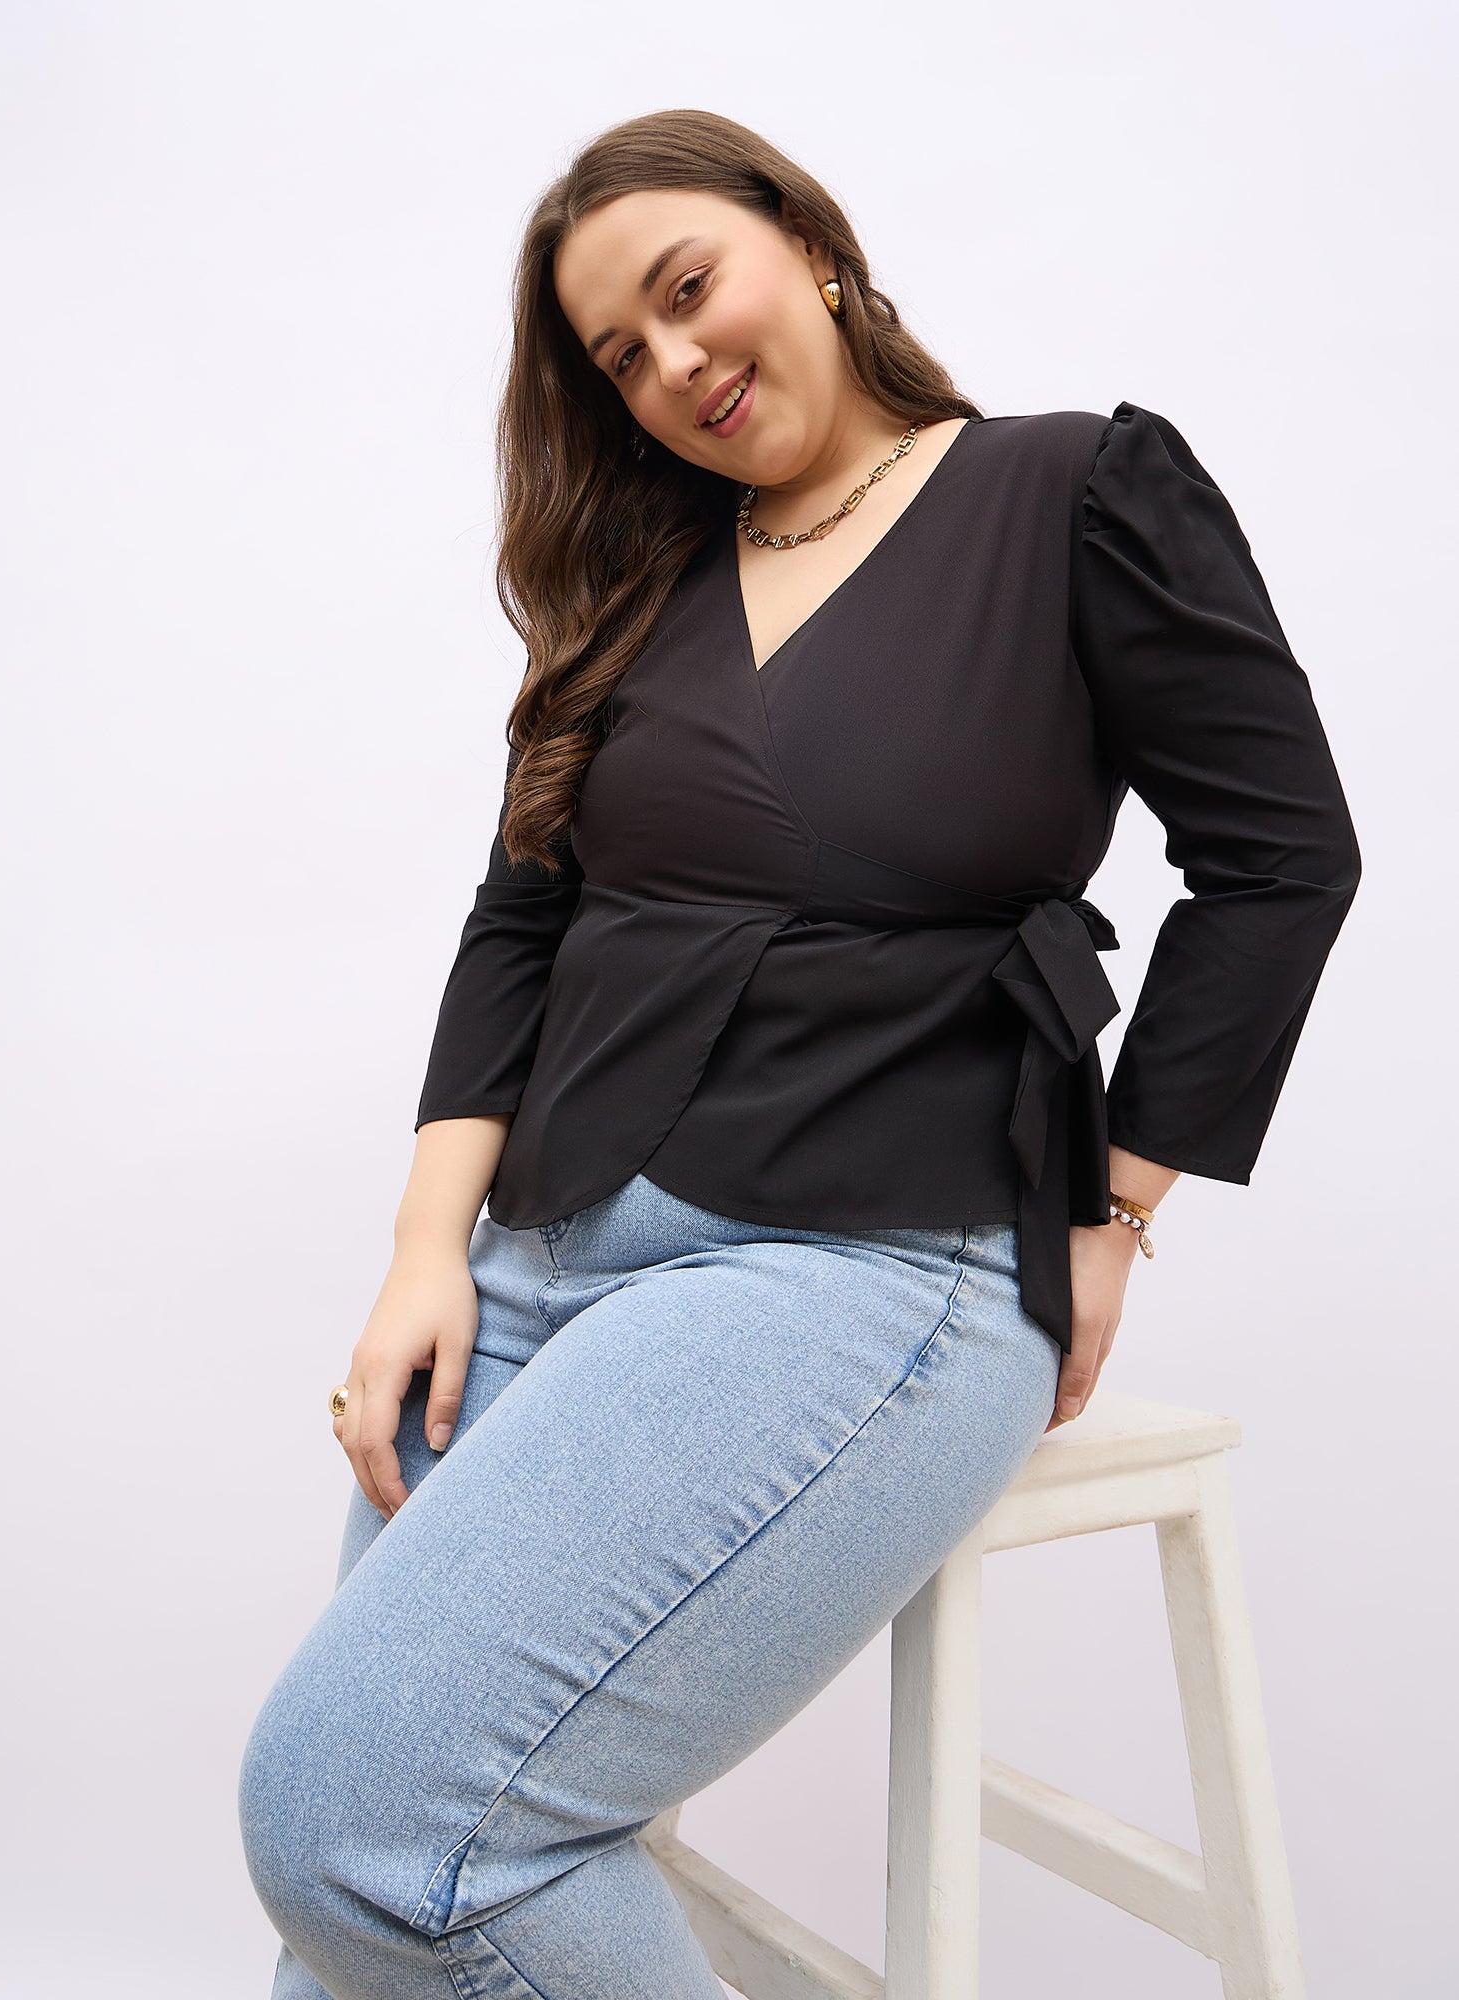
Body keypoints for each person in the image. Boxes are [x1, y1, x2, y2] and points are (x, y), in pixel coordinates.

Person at [237, 108, 1361, 2000]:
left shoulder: (1070, 490)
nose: (675, 362)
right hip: (540, 1259)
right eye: (622, 354)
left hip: (860, 1258)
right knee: (365, 1905)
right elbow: (519, 922)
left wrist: (1115, 1208)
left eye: (689, 290)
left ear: (809, 247)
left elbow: (1282, 859)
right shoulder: (641, 592)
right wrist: (427, 1251)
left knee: (361, 1829)